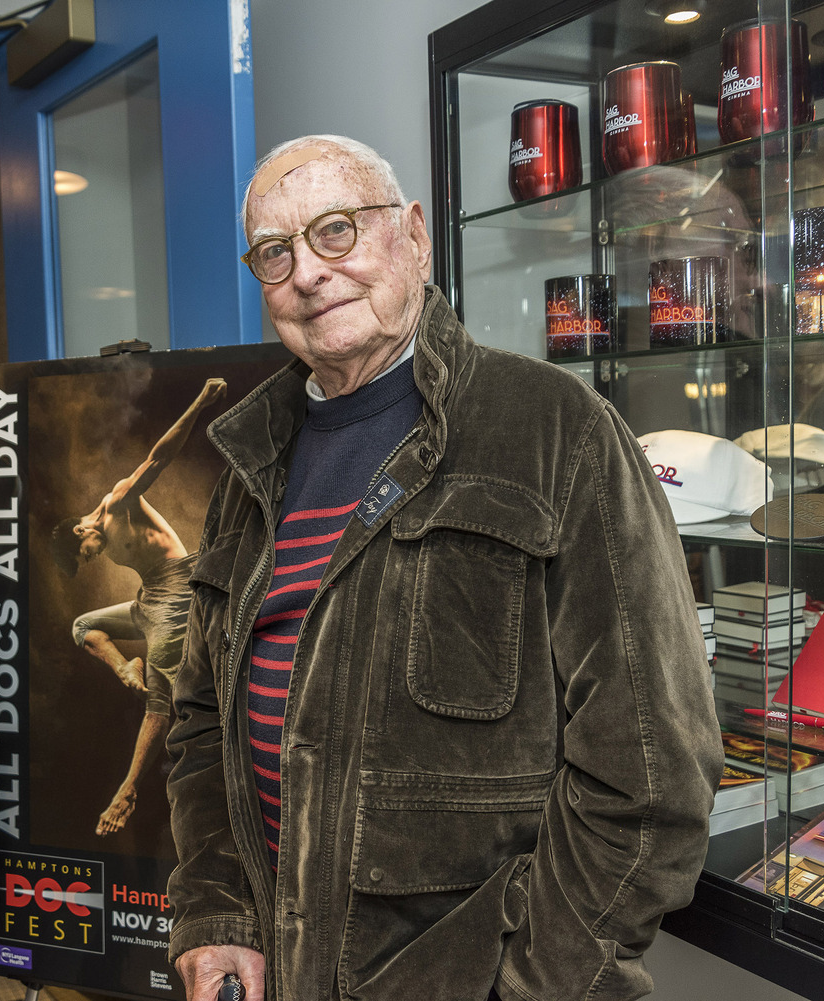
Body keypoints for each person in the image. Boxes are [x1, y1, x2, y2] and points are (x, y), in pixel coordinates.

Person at [165, 136, 722, 1001]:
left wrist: (533, 982)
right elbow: (203, 722)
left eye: (337, 231)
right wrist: (218, 915)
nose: (308, 272)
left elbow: (653, 770)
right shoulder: (248, 463)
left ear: (414, 236)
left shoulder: (556, 429)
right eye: (276, 253)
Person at [49, 378, 227, 835]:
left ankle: (127, 790)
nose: (92, 558)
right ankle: (125, 666)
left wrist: (201, 400)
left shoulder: (118, 502)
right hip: (147, 599)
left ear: (79, 532)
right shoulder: (98, 537)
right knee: (83, 625)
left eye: (86, 554)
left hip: (176, 592)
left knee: (159, 703)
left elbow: (159, 457)